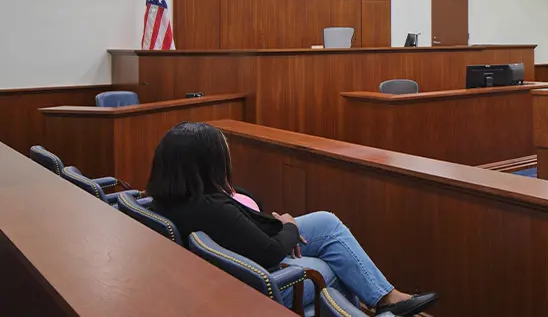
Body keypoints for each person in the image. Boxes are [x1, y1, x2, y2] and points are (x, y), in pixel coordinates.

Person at [147, 123, 438, 316]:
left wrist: (281, 228)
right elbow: (270, 251)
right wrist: (289, 227)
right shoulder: (210, 207)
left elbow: (245, 230)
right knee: (327, 266)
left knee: (325, 222)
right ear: (204, 165)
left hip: (242, 263)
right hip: (259, 283)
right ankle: (367, 310)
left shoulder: (168, 198)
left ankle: (387, 298)